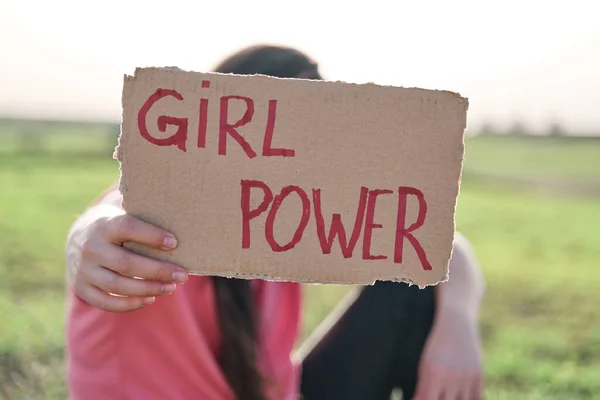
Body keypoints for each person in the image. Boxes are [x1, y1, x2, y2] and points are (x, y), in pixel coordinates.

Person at [64, 44, 485, 400]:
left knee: (410, 293)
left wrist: (458, 325)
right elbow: (107, 220)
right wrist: (84, 242)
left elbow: (438, 244)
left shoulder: (289, 214)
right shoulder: (155, 214)